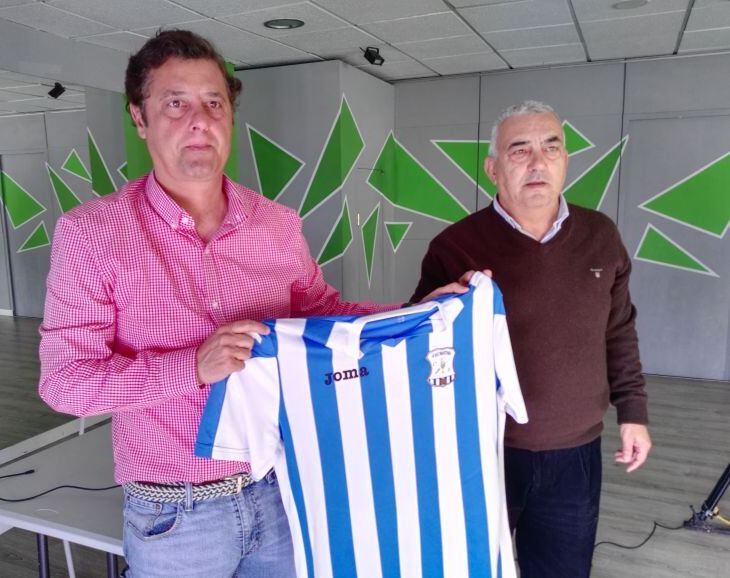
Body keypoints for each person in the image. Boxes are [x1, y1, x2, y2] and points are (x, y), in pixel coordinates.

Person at [38, 29, 468, 578]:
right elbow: (65, 383)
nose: (200, 119)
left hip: (283, 488)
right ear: (139, 118)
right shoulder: (91, 235)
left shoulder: (277, 224)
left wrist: (418, 313)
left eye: (214, 102)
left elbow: (322, 313)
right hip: (176, 513)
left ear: (231, 119)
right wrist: (192, 367)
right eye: (175, 103)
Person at [411, 100, 652, 577]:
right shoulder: (454, 246)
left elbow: (618, 328)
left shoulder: (601, 235)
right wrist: (423, 313)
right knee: (471, 567)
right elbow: (416, 343)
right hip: (480, 449)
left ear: (565, 160)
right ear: (493, 168)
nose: (538, 162)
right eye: (519, 150)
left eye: (552, 147)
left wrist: (634, 412)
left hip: (574, 451)